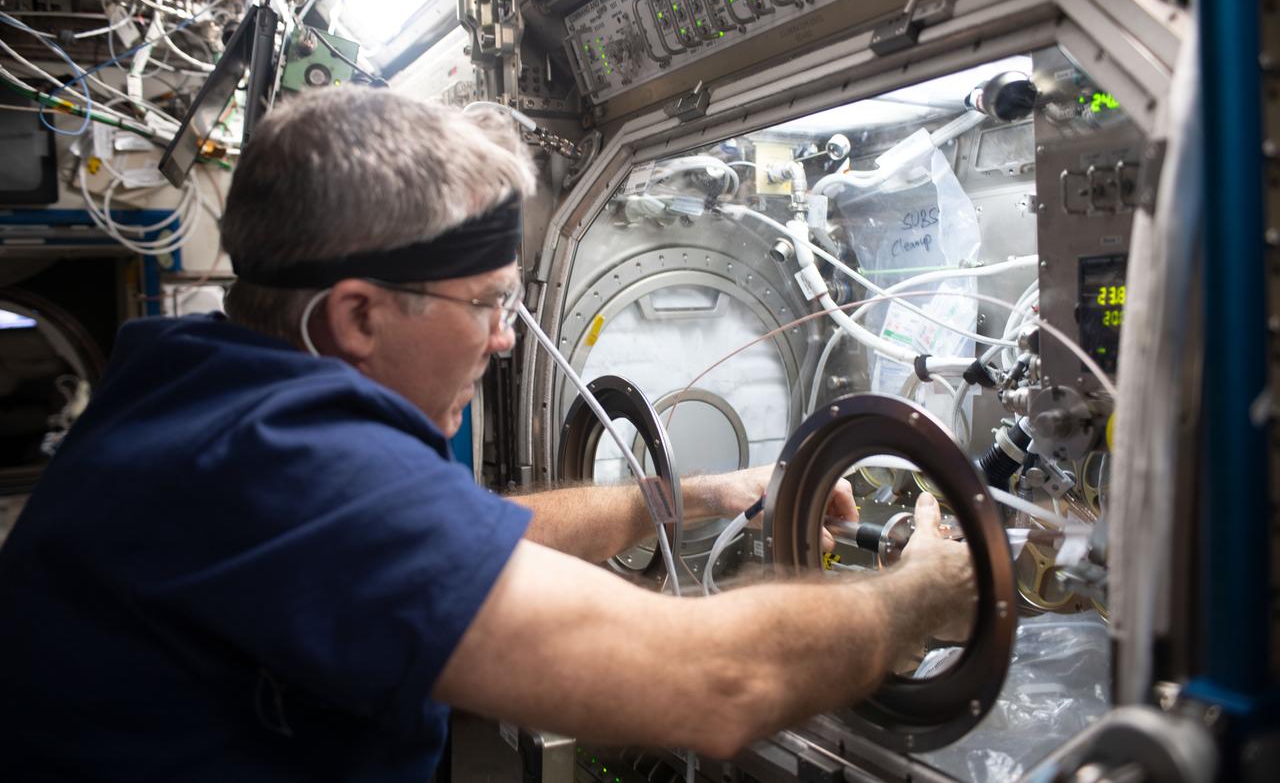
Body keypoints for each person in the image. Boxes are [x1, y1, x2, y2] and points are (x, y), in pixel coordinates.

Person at [0, 88, 974, 781]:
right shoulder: (288, 466)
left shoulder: (199, 388)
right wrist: (929, 588)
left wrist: (692, 495)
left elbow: (456, 534)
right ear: (359, 316)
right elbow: (715, 683)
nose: (507, 339)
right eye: (487, 303)